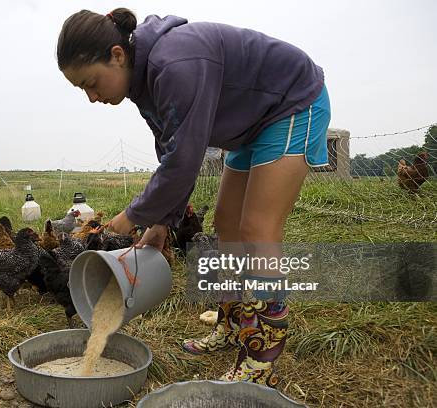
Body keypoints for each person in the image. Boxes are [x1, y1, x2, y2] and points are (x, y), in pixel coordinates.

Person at [57, 8, 330, 386]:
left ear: (117, 55)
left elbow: (183, 162)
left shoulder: (175, 63)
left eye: (91, 82)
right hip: (248, 126)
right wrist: (159, 224)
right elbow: (173, 152)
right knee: (226, 225)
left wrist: (130, 216)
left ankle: (261, 355)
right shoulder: (143, 80)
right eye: (82, 89)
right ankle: (234, 324)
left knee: (257, 229)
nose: (91, 97)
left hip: (290, 104)